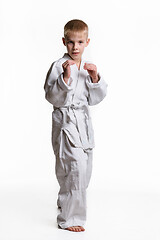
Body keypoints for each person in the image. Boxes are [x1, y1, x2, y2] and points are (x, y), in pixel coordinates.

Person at [44, 19, 107, 232]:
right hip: (65, 122)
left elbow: (94, 99)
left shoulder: (87, 66)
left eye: (80, 42)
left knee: (84, 169)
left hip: (83, 123)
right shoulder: (58, 66)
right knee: (74, 169)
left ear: (87, 42)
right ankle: (70, 219)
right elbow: (51, 96)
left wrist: (94, 77)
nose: (75, 47)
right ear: (64, 42)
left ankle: (66, 202)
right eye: (71, 42)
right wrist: (65, 77)